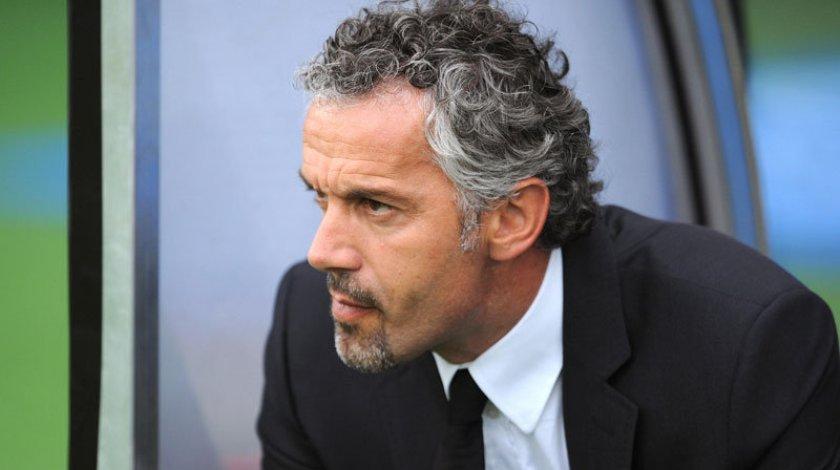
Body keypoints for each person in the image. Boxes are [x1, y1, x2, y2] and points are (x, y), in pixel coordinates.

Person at [257, 1, 840, 468]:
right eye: (321, 197)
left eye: (376, 205)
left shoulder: (745, 347)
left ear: (511, 219)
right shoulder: (310, 331)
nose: (321, 253)